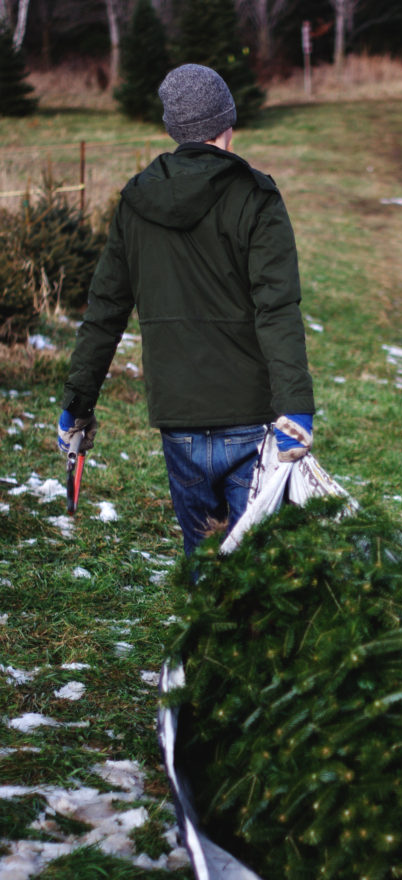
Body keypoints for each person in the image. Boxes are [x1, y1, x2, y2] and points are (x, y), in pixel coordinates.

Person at [58, 63, 315, 555]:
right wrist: (296, 409)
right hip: (250, 414)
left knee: (205, 565)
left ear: (175, 129)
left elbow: (105, 312)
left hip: (179, 420)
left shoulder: (136, 200)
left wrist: (76, 405)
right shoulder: (257, 196)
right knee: (256, 570)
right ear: (227, 124)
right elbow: (277, 307)